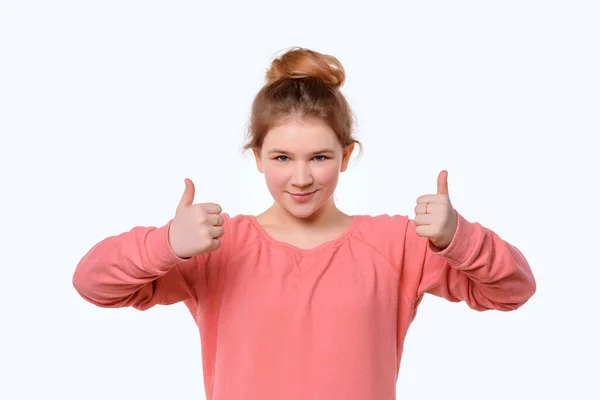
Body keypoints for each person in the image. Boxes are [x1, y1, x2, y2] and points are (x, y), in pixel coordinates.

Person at [72, 47, 536, 400]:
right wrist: (166, 244)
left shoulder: (398, 244)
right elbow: (93, 284)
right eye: (281, 157)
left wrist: (460, 238)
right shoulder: (217, 245)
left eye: (319, 157)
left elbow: (513, 291)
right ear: (257, 158)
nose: (300, 178)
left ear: (346, 156)